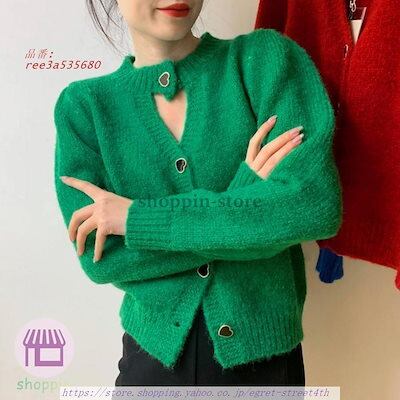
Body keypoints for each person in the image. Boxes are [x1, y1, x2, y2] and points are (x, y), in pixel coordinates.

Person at [53, 0, 342, 387]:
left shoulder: (263, 62)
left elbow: (312, 206)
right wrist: (248, 196)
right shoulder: (85, 108)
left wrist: (138, 220)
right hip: (152, 365)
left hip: (267, 365)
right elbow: (103, 259)